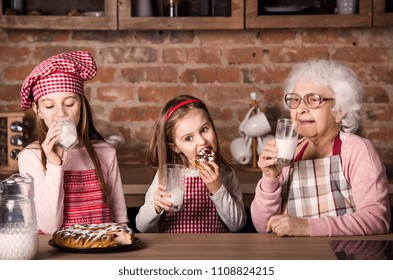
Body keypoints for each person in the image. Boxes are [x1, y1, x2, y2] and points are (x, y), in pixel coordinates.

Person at [251, 59, 391, 237]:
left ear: (339, 111)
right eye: (295, 100)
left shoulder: (357, 150)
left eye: (313, 100)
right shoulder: (288, 153)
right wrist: (269, 178)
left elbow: (377, 219)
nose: (301, 109)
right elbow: (263, 226)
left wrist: (307, 227)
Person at [17, 51, 128, 234]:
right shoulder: (31, 157)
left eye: (69, 104)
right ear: (38, 110)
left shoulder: (106, 152)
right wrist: (54, 163)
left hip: (100, 253)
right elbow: (49, 227)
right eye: (49, 106)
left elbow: (119, 219)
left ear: (81, 105)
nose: (61, 114)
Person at [136, 95, 246, 233]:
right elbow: (141, 226)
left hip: (215, 251)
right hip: (174, 251)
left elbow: (237, 225)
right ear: (175, 146)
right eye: (188, 138)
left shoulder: (226, 173)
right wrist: (155, 207)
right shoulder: (167, 175)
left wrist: (217, 189)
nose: (201, 141)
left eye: (204, 129)